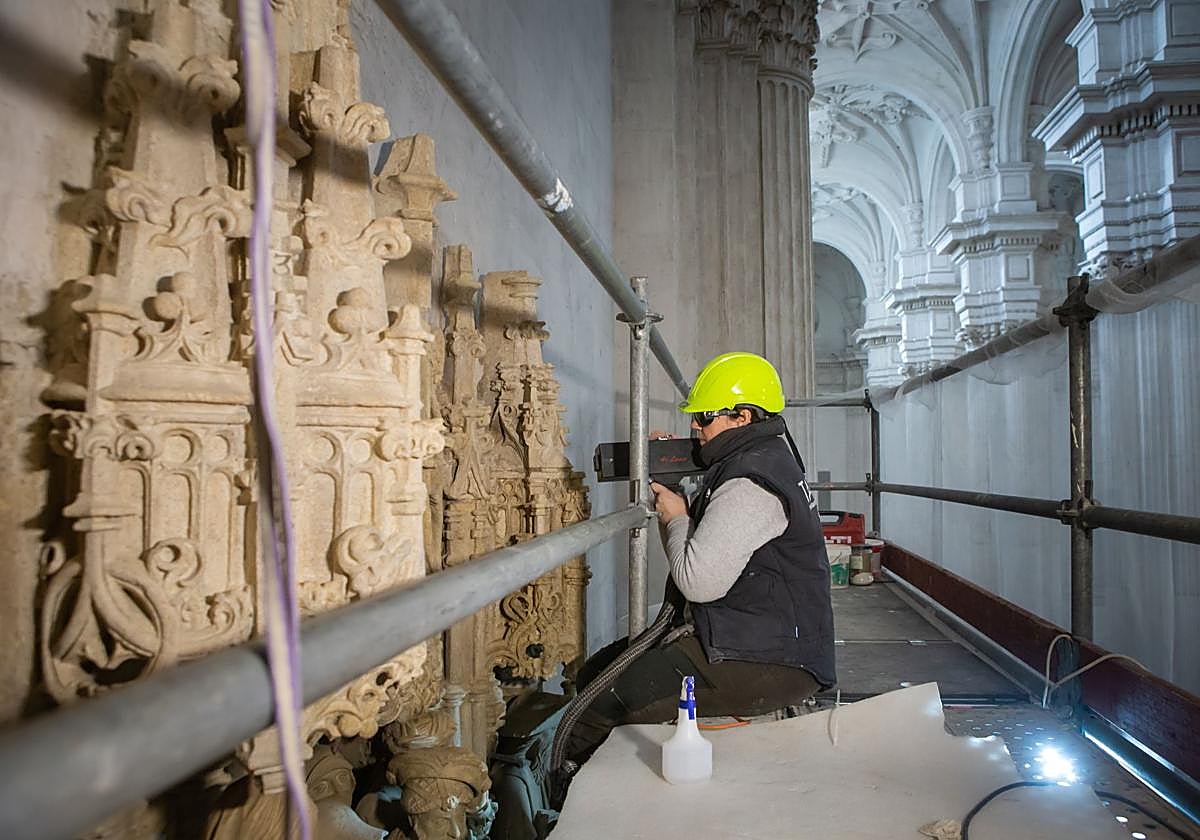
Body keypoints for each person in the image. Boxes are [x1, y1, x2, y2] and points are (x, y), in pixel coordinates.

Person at [564, 351, 836, 766]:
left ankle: (574, 806)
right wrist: (673, 498)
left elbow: (698, 582)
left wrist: (675, 517)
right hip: (754, 636)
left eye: (705, 416)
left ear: (741, 417)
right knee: (594, 673)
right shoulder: (763, 456)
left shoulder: (751, 482)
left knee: (597, 705)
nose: (694, 426)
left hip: (770, 660)